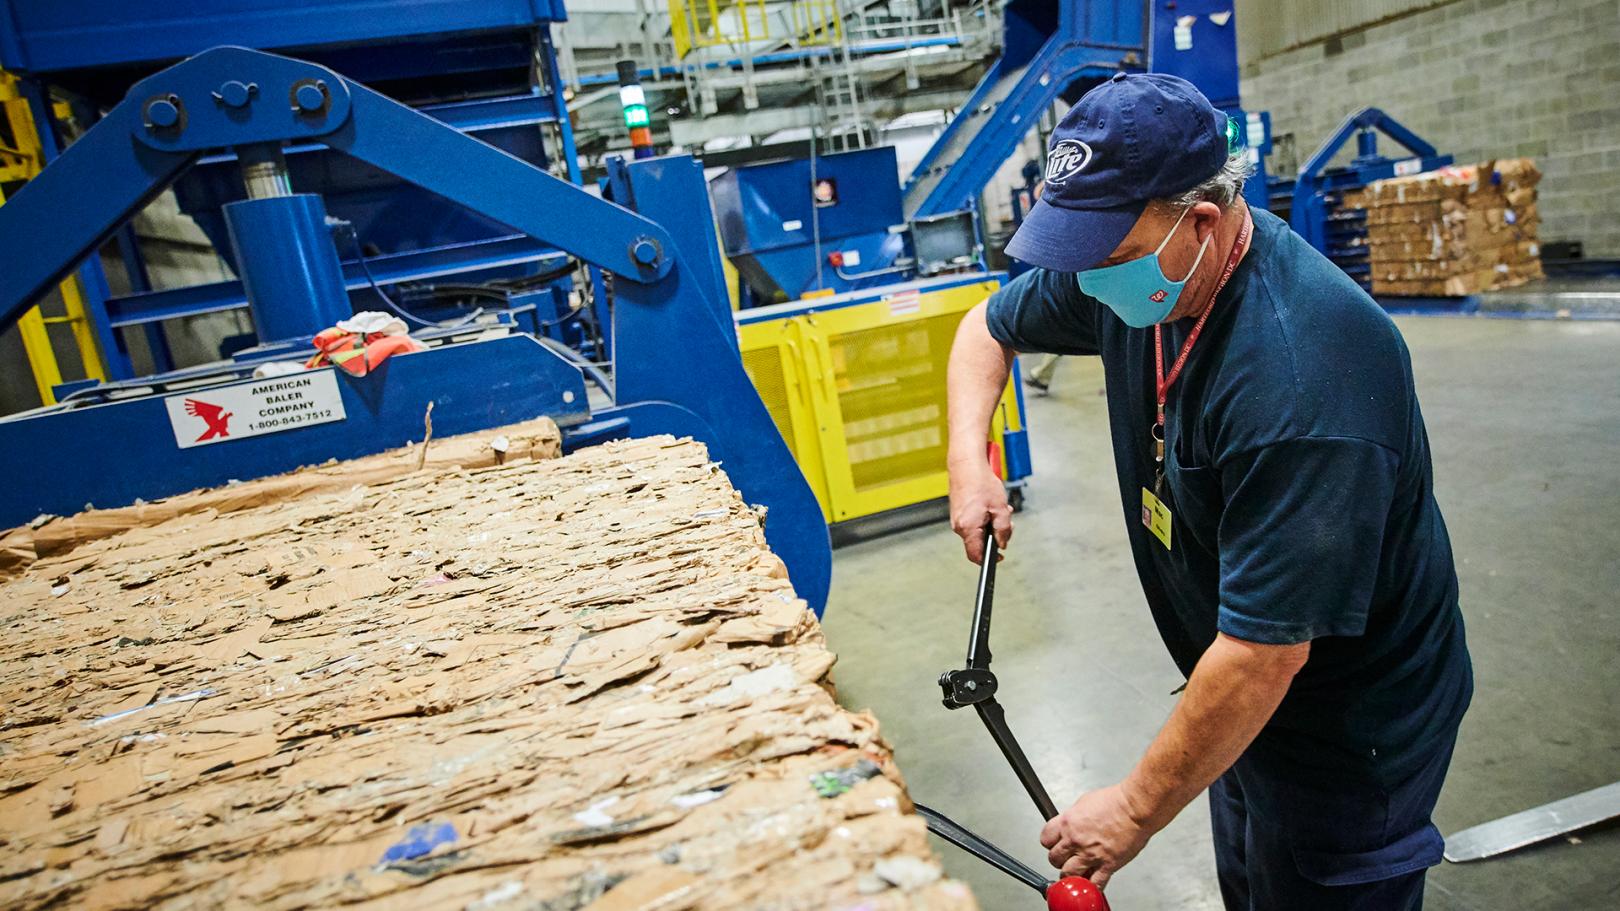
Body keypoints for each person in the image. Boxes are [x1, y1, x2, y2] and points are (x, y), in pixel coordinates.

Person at [945, 72, 1472, 910]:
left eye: (1107, 259)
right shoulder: (1136, 273)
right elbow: (984, 328)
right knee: (1252, 877)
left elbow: (1265, 656)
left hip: (1346, 733)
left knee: (1319, 886)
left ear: (1201, 221)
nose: (1087, 281)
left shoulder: (1301, 379)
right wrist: (969, 460)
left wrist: (1132, 809)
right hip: (1231, 694)